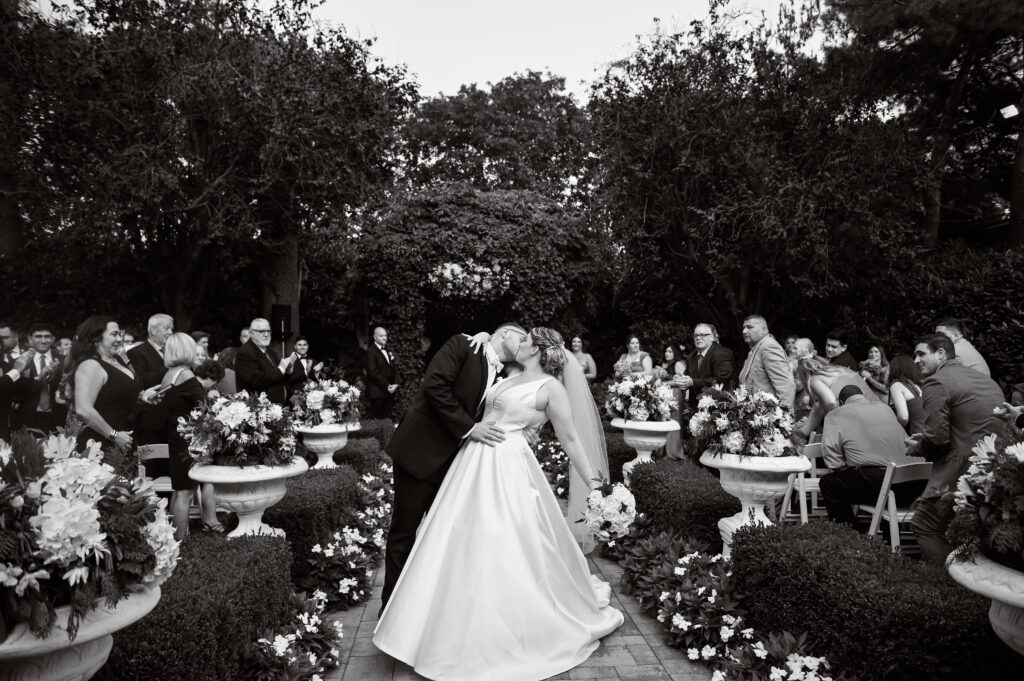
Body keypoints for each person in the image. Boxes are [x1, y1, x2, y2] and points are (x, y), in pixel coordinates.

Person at [374, 327, 622, 681]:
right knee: (451, 538)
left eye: (525, 340)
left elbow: (570, 438)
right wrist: (485, 334)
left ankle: (494, 623)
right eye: (518, 337)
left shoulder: (552, 389)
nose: (520, 343)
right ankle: (423, 617)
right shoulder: (506, 375)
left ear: (537, 350)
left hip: (504, 467)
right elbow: (473, 392)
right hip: (469, 462)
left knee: (498, 542)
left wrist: (597, 485)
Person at [381, 323, 525, 613]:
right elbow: (434, 386)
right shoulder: (462, 345)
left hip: (454, 464)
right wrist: (469, 428)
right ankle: (390, 610)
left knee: (441, 536)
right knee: (404, 532)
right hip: (419, 453)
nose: (524, 346)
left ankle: (427, 611)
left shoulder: (502, 373)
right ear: (505, 333)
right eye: (522, 339)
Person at [905, 333, 1003, 565]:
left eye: (921, 353)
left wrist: (919, 447)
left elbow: (937, 439)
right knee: (968, 534)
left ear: (941, 353)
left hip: (957, 473)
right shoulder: (986, 381)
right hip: (993, 473)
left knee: (924, 525)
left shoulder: (936, 381)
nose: (916, 360)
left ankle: (948, 589)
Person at [818, 386, 926, 526]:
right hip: (917, 482)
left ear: (841, 402)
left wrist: (847, 466)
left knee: (828, 484)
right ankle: (887, 539)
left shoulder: (835, 415)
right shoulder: (885, 408)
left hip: (884, 485)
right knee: (881, 481)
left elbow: (834, 461)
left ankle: (851, 535)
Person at [159, 334, 224, 540]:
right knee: (185, 493)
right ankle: (179, 542)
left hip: (175, 436)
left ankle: (174, 540)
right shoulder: (186, 375)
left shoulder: (169, 374)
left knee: (179, 492)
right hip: (188, 441)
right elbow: (204, 407)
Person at [68, 316, 161, 454]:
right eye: (114, 334)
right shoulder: (90, 365)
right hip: (100, 447)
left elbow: (115, 395)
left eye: (119, 334)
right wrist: (114, 435)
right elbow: (83, 410)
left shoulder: (117, 359)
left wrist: (142, 396)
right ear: (96, 337)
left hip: (124, 443)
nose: (119, 339)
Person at [793, 338, 878, 439]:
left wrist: (834, 429)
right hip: (878, 412)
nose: (791, 350)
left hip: (863, 419)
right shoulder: (835, 369)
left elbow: (830, 402)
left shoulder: (815, 380)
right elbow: (819, 406)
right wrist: (802, 432)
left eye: (795, 348)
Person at [128, 314, 175, 448]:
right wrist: (169, 366)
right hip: (152, 420)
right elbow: (142, 381)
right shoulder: (136, 352)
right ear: (153, 330)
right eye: (166, 328)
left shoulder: (171, 351)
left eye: (171, 329)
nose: (170, 332)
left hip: (171, 419)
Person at [14, 322, 66, 434]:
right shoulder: (21, 361)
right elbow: (17, 395)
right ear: (30, 339)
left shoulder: (64, 361)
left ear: (53, 339)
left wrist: (53, 378)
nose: (43, 340)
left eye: (47, 337)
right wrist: (41, 376)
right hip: (27, 418)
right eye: (38, 336)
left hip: (58, 418)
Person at [738, 315, 795, 411]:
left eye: (750, 327)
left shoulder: (768, 347)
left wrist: (784, 418)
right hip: (758, 415)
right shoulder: (757, 348)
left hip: (770, 418)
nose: (744, 331)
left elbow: (785, 384)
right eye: (743, 328)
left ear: (764, 330)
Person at [234, 318, 295, 405]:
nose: (266, 334)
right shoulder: (245, 352)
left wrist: (287, 371)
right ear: (251, 334)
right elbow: (255, 380)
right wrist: (281, 369)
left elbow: (276, 376)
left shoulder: (271, 351)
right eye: (262, 331)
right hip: (258, 408)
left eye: (268, 331)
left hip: (278, 406)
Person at [679, 323, 734, 414]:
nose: (698, 338)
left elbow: (720, 380)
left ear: (712, 337)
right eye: (696, 335)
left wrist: (692, 382)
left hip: (718, 409)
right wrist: (681, 380)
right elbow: (688, 377)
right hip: (695, 409)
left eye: (703, 335)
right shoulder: (691, 356)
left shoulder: (721, 354)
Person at [365, 327, 400, 418]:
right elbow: (372, 372)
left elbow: (393, 369)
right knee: (379, 422)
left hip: (388, 393)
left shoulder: (388, 351)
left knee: (387, 421)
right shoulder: (370, 351)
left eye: (385, 335)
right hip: (377, 393)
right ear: (375, 337)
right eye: (381, 336)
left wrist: (396, 383)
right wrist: (387, 385)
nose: (384, 338)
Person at [0, 351, 34, 441]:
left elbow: (22, 391)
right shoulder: (13, 369)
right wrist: (16, 370)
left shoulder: (5, 366)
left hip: (4, 425)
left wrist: (25, 368)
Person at [887, 354, 925, 434]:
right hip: (928, 431)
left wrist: (892, 430)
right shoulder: (917, 386)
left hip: (916, 433)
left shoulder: (896, 385)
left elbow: (903, 417)